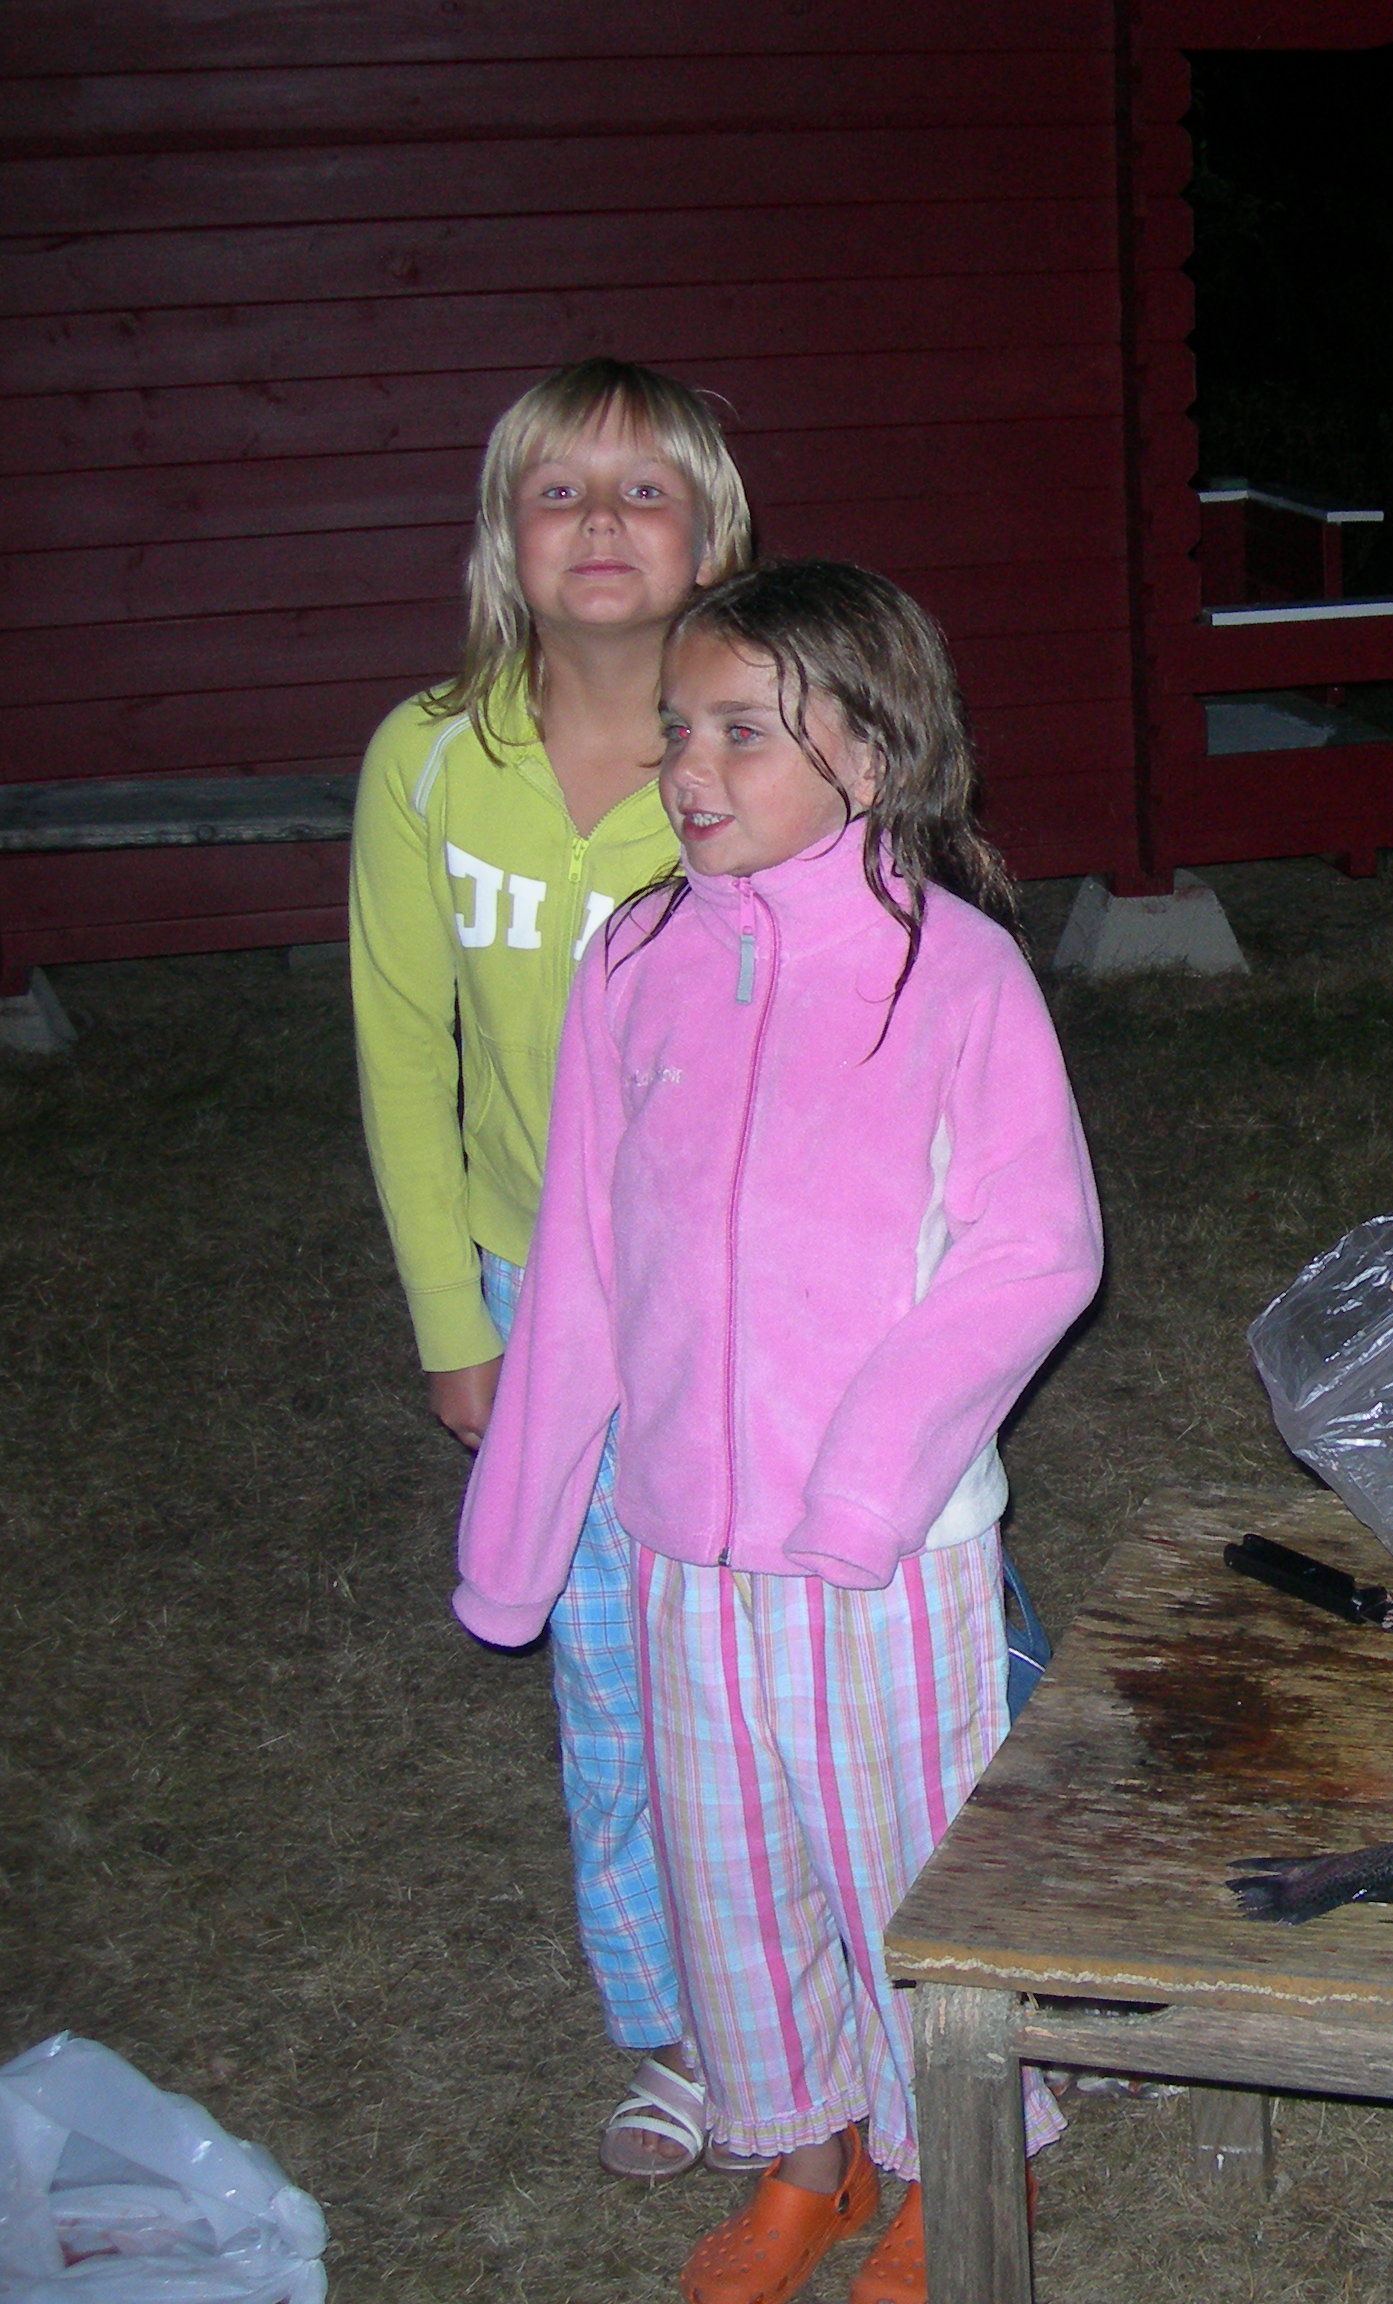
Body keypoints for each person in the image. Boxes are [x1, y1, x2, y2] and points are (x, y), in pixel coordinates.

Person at [453, 560, 1104, 2304]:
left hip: (887, 1555)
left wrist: (865, 1481)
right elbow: (583, 1260)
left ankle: (955, 2162)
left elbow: (1035, 1253)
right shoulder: (636, 957)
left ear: (872, 755)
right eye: (681, 729)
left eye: (744, 732)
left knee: (905, 1877)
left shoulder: (952, 976)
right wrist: (518, 1533)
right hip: (681, 1533)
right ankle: (806, 2156)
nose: (688, 769)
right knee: (726, 1869)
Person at [348, 358, 755, 2179]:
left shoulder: (769, 748)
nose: (602, 521)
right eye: (559, 490)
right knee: (610, 1677)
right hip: (545, 1301)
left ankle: (921, 1948)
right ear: (502, 537)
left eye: (645, 488)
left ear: (715, 536)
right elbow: (400, 1049)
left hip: (755, 1299)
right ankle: (672, 2024)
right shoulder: (431, 758)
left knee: (819, 1644)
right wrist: (456, 1320)